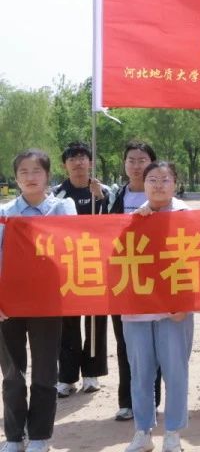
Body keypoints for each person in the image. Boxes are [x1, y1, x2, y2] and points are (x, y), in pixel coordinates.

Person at [0, 150, 76, 452]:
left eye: (36, 171)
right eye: (24, 172)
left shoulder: (62, 209)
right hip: (9, 304)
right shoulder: (4, 213)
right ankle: (14, 436)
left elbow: (76, 244)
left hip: (48, 302)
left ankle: (40, 435)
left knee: (45, 370)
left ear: (48, 176)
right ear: (16, 177)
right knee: (12, 374)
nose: (30, 177)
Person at [121, 161, 195, 452]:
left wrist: (186, 303)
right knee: (140, 373)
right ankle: (143, 431)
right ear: (144, 183)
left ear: (175, 183)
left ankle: (173, 432)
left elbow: (199, 262)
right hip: (137, 309)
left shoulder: (186, 216)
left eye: (165, 179)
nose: (158, 185)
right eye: (152, 179)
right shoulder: (132, 217)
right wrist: (133, 224)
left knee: (175, 372)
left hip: (175, 310)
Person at [108, 141, 161, 422]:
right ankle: (127, 401)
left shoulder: (161, 195)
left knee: (155, 341)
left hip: (155, 277)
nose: (136, 165)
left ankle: (152, 400)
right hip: (124, 279)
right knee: (125, 341)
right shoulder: (114, 196)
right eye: (131, 160)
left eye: (142, 160)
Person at [52, 142, 110, 397]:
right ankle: (66, 377)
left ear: (90, 162)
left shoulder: (104, 190)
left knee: (96, 320)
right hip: (67, 267)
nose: (78, 162)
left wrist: (101, 198)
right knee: (67, 323)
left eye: (82, 157)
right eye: (72, 158)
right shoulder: (57, 194)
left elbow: (113, 221)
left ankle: (92, 373)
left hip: (96, 264)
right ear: (64, 164)